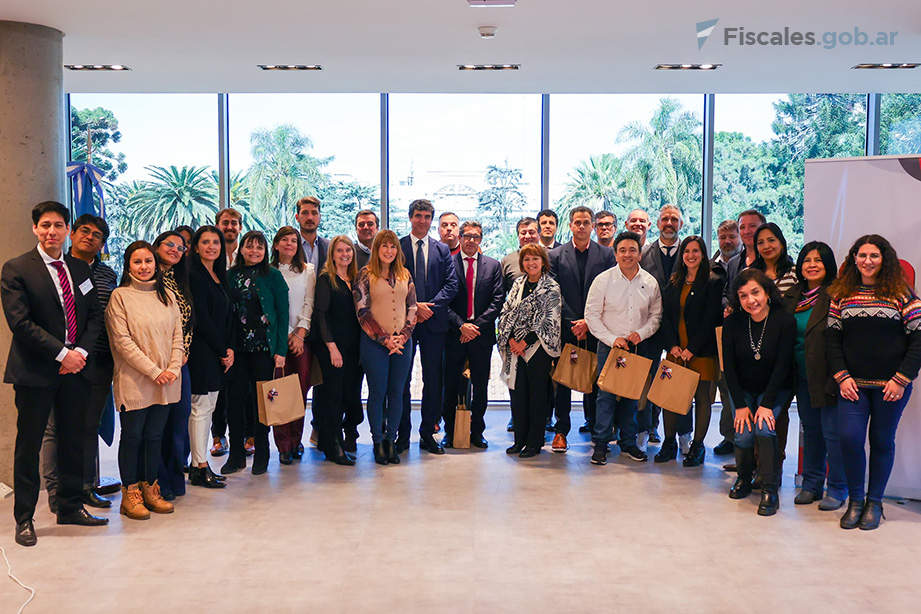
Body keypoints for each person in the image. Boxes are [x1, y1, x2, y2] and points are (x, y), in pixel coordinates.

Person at [2, 201, 107, 546]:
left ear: (66, 231)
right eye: (45, 225)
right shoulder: (17, 268)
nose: (52, 231)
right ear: (35, 228)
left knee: (73, 440)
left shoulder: (80, 269)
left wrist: (80, 354)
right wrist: (63, 354)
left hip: (76, 370)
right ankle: (24, 518)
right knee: (29, 446)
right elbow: (20, 323)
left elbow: (94, 317)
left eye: (58, 225)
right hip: (35, 371)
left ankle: (70, 506)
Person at [826, 234, 921, 530]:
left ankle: (875, 502)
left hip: (891, 387)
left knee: (881, 441)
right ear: (854, 259)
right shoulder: (841, 294)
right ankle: (856, 501)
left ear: (884, 259)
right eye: (863, 255)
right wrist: (842, 377)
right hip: (852, 385)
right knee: (850, 439)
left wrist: (901, 379)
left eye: (874, 256)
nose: (868, 261)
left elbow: (918, 340)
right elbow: (832, 340)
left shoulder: (903, 295)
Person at [41, 214, 117, 513]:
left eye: (97, 235)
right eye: (84, 231)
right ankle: (56, 490)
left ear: (102, 244)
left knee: (89, 426)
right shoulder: (57, 268)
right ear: (72, 234)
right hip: (62, 359)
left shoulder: (108, 274)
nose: (90, 237)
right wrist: (63, 353)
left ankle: (85, 487)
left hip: (98, 358)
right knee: (55, 429)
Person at [106, 241, 183, 520]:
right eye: (137, 262)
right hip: (135, 381)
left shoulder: (167, 296)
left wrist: (173, 368)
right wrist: (154, 371)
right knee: (133, 437)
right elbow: (122, 342)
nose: (144, 267)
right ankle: (130, 494)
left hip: (167, 380)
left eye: (148, 261)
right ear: (128, 266)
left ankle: (150, 489)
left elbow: (177, 336)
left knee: (154, 437)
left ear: (155, 264)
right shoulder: (120, 296)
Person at [723, 268, 796, 516]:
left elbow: (783, 366)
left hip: (775, 388)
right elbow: (729, 367)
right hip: (743, 389)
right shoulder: (732, 323)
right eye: (743, 295)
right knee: (743, 434)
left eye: (755, 292)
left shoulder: (784, 321)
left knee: (764, 428)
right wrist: (740, 405)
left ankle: (769, 489)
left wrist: (766, 404)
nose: (750, 300)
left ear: (767, 292)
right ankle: (744, 479)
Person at [585, 231, 662, 465]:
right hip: (610, 347)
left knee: (632, 396)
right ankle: (601, 443)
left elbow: (656, 316)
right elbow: (591, 316)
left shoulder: (650, 282)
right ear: (615, 254)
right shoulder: (603, 280)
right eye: (622, 250)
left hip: (637, 346)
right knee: (605, 397)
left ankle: (628, 442)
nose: (627, 254)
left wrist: (642, 333)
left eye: (632, 250)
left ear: (640, 254)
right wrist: (612, 339)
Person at [782, 241, 845, 510]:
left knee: (833, 435)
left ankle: (838, 488)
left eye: (818, 260)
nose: (812, 265)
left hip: (829, 377)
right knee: (811, 432)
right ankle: (812, 484)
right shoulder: (793, 295)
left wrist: (838, 376)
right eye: (807, 260)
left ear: (828, 264)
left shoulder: (837, 295)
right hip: (801, 376)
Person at [548, 206, 616, 452]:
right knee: (564, 381)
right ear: (570, 225)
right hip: (567, 329)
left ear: (592, 226)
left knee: (597, 381)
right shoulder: (555, 255)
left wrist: (589, 322)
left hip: (597, 329)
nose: (581, 226)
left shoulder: (607, 255)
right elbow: (554, 293)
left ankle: (599, 431)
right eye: (577, 222)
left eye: (586, 222)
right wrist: (574, 323)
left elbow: (610, 291)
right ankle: (561, 431)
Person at [223, 231, 289, 476]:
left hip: (264, 349)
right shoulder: (230, 276)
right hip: (236, 350)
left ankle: (262, 452)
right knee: (235, 402)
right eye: (249, 246)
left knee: (263, 403)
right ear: (241, 249)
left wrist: (281, 350)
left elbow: (283, 314)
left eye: (259, 247)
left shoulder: (273, 276)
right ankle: (236, 456)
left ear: (266, 251)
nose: (254, 251)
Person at [656, 236, 724, 467]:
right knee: (670, 397)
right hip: (676, 350)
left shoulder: (713, 282)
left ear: (703, 255)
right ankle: (668, 443)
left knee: (702, 399)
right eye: (687, 251)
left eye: (696, 251)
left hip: (701, 352)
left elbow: (711, 319)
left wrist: (692, 349)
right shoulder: (675, 281)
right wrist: (672, 345)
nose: (691, 255)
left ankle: (697, 446)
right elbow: (666, 316)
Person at [398, 199, 458, 455]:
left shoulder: (442, 250)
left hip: (433, 323)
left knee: (433, 380)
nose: (422, 221)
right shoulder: (397, 246)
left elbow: (451, 285)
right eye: (418, 216)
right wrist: (414, 307)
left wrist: (428, 308)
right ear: (410, 217)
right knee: (402, 380)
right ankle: (401, 435)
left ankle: (427, 434)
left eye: (427, 216)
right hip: (403, 324)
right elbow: (391, 283)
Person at [353, 230, 417, 465]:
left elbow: (412, 307)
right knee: (378, 393)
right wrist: (384, 339)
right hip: (375, 345)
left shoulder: (404, 274)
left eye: (393, 247)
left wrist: (404, 335)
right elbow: (362, 311)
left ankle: (391, 440)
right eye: (384, 246)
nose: (389, 251)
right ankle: (378, 442)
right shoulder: (364, 274)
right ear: (377, 249)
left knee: (397, 392)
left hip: (402, 344)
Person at [442, 221, 504, 449]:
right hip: (454, 334)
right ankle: (450, 431)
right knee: (450, 385)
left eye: (475, 237)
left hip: (481, 336)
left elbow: (498, 300)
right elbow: (443, 299)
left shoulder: (493, 265)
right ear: (459, 238)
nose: (471, 240)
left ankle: (477, 431)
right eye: (466, 236)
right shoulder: (447, 264)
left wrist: (475, 327)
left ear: (481, 240)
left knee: (480, 386)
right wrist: (461, 326)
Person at [497, 244, 561, 458]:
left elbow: (549, 319)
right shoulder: (518, 284)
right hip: (514, 348)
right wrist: (512, 339)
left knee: (537, 397)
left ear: (543, 262)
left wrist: (525, 342)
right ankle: (519, 441)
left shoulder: (551, 287)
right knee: (518, 395)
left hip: (538, 349)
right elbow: (507, 311)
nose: (531, 263)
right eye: (526, 259)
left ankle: (534, 443)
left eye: (535, 259)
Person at [186, 226, 233, 489]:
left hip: (218, 351)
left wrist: (229, 348)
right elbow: (201, 318)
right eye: (205, 242)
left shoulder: (218, 275)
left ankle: (200, 464)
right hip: (203, 352)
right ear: (196, 247)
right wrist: (222, 350)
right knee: (200, 410)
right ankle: (199, 466)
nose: (211, 247)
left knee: (208, 408)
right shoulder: (194, 276)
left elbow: (227, 315)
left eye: (216, 242)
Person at [310, 235, 362, 465]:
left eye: (348, 250)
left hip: (353, 347)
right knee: (333, 398)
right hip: (333, 348)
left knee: (347, 396)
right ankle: (334, 447)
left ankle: (328, 442)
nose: (344, 254)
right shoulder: (326, 279)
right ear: (332, 254)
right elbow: (321, 315)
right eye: (339, 250)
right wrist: (332, 348)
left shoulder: (356, 279)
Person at [639, 204, 686, 449]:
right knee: (647, 377)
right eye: (665, 219)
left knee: (679, 380)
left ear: (681, 224)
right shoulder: (644, 253)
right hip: (651, 324)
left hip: (681, 326)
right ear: (657, 224)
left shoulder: (690, 252)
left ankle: (683, 434)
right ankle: (646, 428)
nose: (669, 223)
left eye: (674, 219)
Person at [152, 231, 194, 500]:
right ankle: (158, 481)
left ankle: (175, 479)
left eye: (180, 248)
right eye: (170, 245)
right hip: (154, 364)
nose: (175, 250)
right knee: (157, 425)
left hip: (180, 362)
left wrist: (182, 352)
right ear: (157, 246)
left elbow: (187, 322)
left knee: (179, 422)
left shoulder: (180, 280)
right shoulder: (147, 278)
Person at [270, 226, 316, 465]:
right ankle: (283, 445)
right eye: (284, 240)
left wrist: (300, 333)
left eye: (293, 241)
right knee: (279, 393)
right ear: (276, 244)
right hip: (277, 340)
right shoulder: (268, 271)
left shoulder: (308, 270)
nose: (289, 244)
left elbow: (309, 302)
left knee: (300, 391)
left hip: (302, 340)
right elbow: (271, 308)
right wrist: (287, 334)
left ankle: (296, 440)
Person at [211, 207, 243, 456]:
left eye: (234, 223)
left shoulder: (247, 253)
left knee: (243, 390)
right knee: (219, 389)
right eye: (225, 223)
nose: (230, 227)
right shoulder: (212, 255)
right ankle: (218, 436)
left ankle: (245, 436)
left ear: (240, 227)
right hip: (218, 331)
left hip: (244, 332)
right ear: (217, 226)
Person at [710, 219, 741, 456]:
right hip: (717, 334)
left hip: (742, 332)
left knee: (737, 387)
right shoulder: (710, 266)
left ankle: (741, 438)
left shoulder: (746, 264)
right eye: (723, 237)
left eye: (732, 236)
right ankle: (729, 437)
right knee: (724, 387)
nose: (727, 241)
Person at [724, 209, 766, 292]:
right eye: (742, 227)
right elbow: (727, 293)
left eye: (752, 226)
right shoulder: (733, 263)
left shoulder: (772, 261)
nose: (746, 231)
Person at [752, 222, 798, 295]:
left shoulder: (795, 273)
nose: (766, 246)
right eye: (760, 242)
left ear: (782, 244)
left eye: (771, 240)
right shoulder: (749, 273)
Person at [501, 217, 541, 294]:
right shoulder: (507, 261)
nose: (527, 236)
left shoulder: (551, 257)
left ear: (539, 234)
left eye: (531, 232)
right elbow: (501, 293)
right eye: (523, 233)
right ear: (518, 235)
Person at [296, 196, 329, 272]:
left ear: (320, 217)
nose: (310, 218)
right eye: (305, 213)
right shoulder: (290, 247)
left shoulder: (329, 247)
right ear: (297, 217)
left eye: (314, 213)